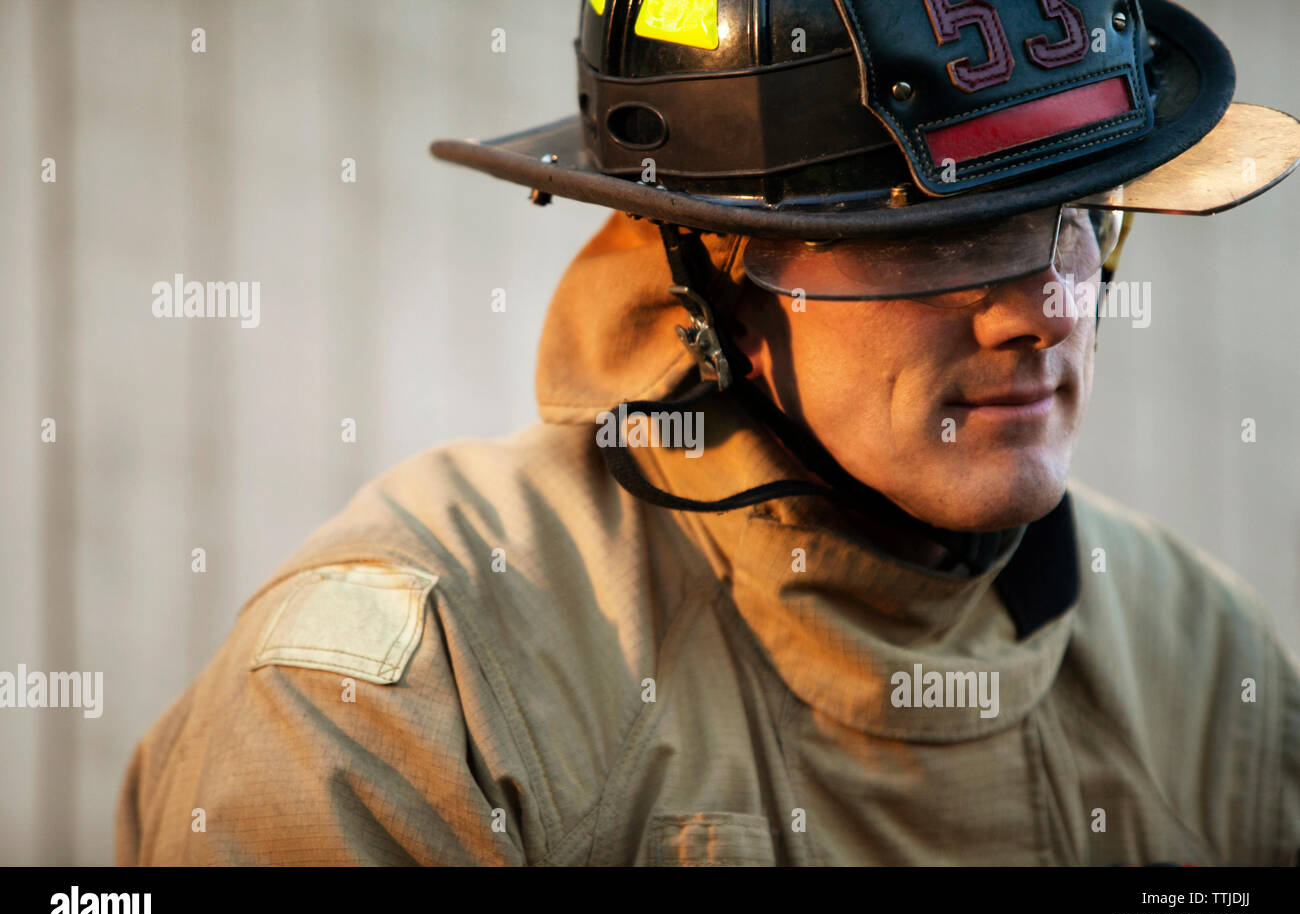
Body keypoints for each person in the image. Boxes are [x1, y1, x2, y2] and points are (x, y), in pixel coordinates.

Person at [117, 0, 1300, 865]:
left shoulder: (1211, 666)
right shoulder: (423, 686)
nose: (1042, 315)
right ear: (712, 279)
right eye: (940, 242)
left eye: (1073, 220)